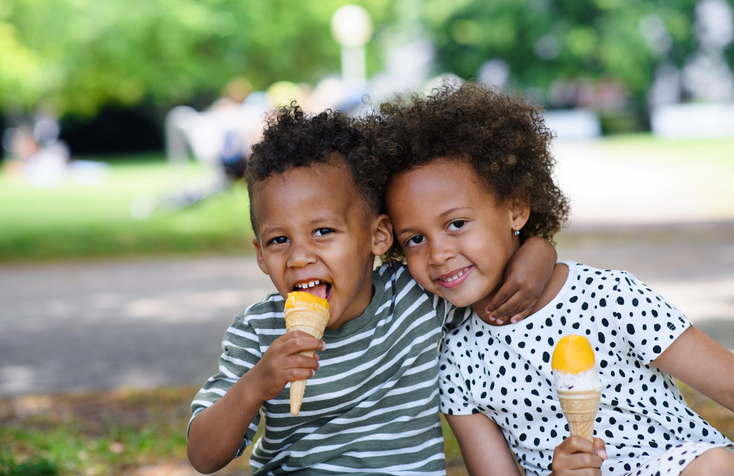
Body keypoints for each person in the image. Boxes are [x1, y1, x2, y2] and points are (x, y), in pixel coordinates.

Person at [366, 82, 734, 476]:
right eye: (415, 239)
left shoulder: (609, 299)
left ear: (517, 209)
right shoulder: (457, 361)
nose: (437, 254)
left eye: (456, 223)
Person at [186, 104, 558, 475]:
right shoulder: (257, 332)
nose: (299, 257)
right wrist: (256, 385)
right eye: (279, 239)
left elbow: (485, 266)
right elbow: (204, 456)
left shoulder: (416, 298)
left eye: (323, 232)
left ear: (379, 236)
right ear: (261, 256)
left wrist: (538, 252)